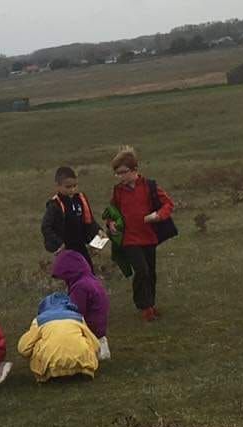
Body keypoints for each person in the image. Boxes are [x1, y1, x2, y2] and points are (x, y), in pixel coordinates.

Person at [106, 146, 175, 321]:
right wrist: (111, 223)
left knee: (150, 272)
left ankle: (150, 303)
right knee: (141, 270)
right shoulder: (118, 191)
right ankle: (144, 306)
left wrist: (158, 215)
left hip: (149, 237)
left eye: (123, 172)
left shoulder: (149, 186)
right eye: (117, 173)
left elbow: (168, 204)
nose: (120, 176)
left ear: (134, 169)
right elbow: (112, 212)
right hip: (129, 240)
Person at [16, 292, 100, 382]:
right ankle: (82, 368)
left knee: (38, 342)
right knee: (86, 340)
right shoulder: (78, 318)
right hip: (82, 365)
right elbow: (96, 345)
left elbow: (23, 349)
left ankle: (47, 371)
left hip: (51, 368)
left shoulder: (39, 321)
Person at [51, 249, 111, 360]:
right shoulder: (90, 280)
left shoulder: (80, 287)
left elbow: (75, 312)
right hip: (99, 329)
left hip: (90, 331)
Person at [41, 166, 100, 259]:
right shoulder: (54, 205)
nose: (72, 190)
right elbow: (46, 227)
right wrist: (58, 243)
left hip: (81, 246)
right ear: (58, 185)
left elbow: (90, 221)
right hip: (65, 249)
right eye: (68, 187)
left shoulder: (81, 199)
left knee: (87, 268)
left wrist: (97, 237)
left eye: (75, 186)